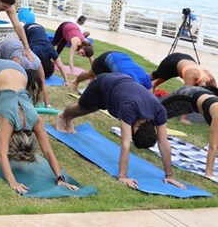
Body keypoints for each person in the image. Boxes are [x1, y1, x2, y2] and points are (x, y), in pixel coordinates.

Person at [0, 61, 79, 194]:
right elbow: (1, 155)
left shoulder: (36, 120)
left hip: (20, 72)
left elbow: (48, 152)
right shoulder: (8, 123)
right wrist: (12, 181)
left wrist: (60, 178)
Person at [56, 73, 185, 190]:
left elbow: (164, 144)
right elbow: (125, 143)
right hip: (104, 84)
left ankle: (70, 118)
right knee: (83, 108)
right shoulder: (130, 108)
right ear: (135, 129)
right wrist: (123, 176)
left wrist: (169, 175)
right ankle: (63, 116)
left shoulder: (159, 111)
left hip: (121, 88)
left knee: (93, 108)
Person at [161, 86, 218, 177]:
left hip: (204, 97)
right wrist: (209, 172)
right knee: (157, 114)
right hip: (187, 95)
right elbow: (212, 147)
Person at [0, 38, 50, 107]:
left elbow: (43, 83)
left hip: (18, 46)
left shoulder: (38, 64)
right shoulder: (17, 63)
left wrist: (48, 104)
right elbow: (11, 84)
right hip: (5, 46)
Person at [68, 50, 152, 93]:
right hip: (108, 57)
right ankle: (76, 82)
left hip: (121, 57)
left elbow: (150, 97)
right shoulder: (125, 80)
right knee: (92, 75)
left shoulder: (146, 80)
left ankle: (87, 90)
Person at [150, 53, 217, 92]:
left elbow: (215, 94)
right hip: (171, 61)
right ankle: (141, 84)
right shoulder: (191, 77)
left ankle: (153, 86)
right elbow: (184, 96)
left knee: (167, 75)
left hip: (187, 60)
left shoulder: (212, 79)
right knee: (154, 76)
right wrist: (183, 117)